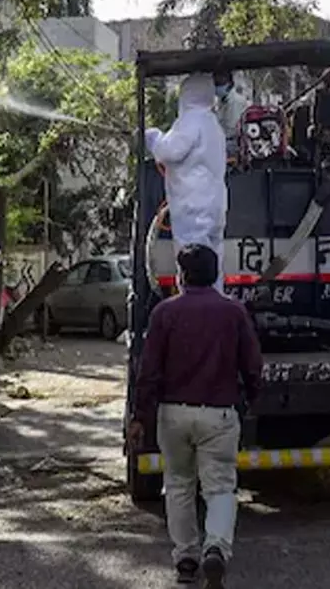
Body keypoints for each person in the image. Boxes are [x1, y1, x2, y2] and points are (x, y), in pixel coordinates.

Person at [128, 244, 262, 588]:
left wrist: (141, 415)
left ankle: (186, 559)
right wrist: (250, 399)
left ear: (181, 275)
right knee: (219, 488)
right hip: (219, 414)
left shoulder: (164, 313)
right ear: (216, 274)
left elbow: (149, 370)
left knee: (178, 485)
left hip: (173, 414)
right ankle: (215, 548)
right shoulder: (234, 312)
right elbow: (252, 365)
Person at [147, 73, 228, 292]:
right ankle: (215, 301)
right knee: (213, 261)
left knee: (191, 258)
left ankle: (192, 304)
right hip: (214, 204)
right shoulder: (213, 124)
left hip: (193, 204)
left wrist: (153, 138)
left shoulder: (191, 120)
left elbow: (170, 151)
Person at [212, 70, 250, 154]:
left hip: (233, 144)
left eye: (218, 84)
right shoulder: (222, 101)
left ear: (229, 83)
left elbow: (232, 129)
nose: (216, 87)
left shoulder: (236, 101)